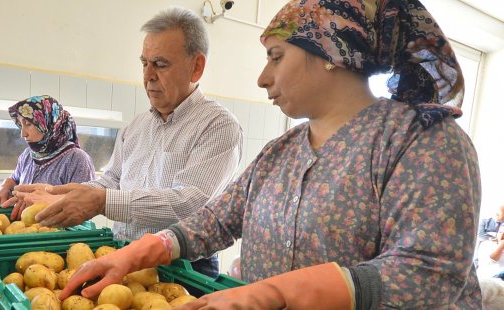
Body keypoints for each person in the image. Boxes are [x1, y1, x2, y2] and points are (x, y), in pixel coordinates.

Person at [57, 0, 481, 308]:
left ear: (331, 54)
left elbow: (428, 272)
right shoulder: (281, 152)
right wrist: (132, 255)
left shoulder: (422, 142)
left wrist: (271, 292)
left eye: (276, 57)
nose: (262, 78)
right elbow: (214, 221)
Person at [5, 7, 243, 281]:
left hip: (182, 269)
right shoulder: (136, 127)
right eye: (144, 63)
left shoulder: (218, 126)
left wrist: (101, 201)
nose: (148, 75)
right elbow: (111, 181)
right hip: (122, 257)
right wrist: (64, 194)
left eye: (161, 64)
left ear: (196, 67)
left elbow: (189, 203)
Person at [0, 95, 95, 220]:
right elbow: (15, 179)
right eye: (20, 125)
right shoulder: (27, 155)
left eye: (28, 124)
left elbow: (84, 207)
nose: (22, 133)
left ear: (48, 123)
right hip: (24, 229)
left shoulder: (77, 159)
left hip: (56, 233)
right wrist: (6, 184)